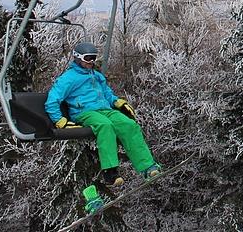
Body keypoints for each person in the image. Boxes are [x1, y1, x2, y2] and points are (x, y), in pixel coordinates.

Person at [45, 41, 160, 186]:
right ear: (78, 57)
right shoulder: (68, 78)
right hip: (84, 112)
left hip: (105, 109)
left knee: (128, 124)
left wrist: (118, 102)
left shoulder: (97, 76)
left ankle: (147, 167)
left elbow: (107, 94)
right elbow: (52, 101)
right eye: (88, 58)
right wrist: (59, 120)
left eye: (93, 58)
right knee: (105, 126)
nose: (91, 62)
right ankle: (110, 172)